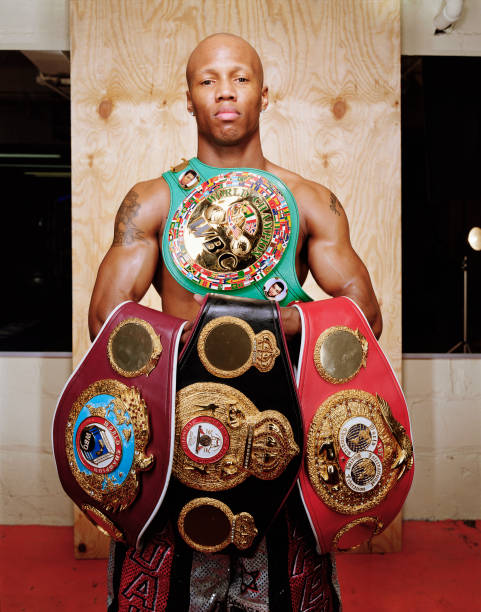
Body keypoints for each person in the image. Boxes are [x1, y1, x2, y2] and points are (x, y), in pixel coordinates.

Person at [89, 32, 382, 612]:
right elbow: (106, 318)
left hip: (283, 447)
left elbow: (364, 316)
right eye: (209, 80)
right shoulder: (152, 202)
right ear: (189, 98)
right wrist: (200, 342)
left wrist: (261, 322)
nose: (226, 92)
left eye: (241, 78)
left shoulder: (310, 200)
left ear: (264, 94)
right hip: (175, 449)